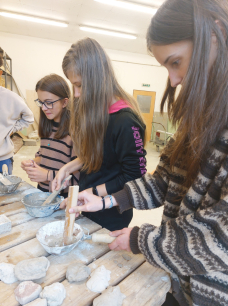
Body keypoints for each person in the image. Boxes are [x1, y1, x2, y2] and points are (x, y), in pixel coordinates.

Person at [67, 0, 228, 305]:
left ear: (215, 37)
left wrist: (140, 239)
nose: (173, 80)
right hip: (177, 280)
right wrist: (108, 199)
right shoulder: (198, 119)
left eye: (176, 61)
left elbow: (221, 238)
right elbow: (163, 181)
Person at [52, 38, 147, 231]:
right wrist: (68, 168)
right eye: (74, 86)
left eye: (79, 85)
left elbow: (134, 177)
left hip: (112, 212)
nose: (76, 94)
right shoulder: (96, 112)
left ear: (97, 78)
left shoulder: (125, 121)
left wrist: (92, 192)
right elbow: (97, 155)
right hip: (89, 202)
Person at [21, 74, 78, 197]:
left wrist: (47, 175)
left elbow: (77, 179)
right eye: (41, 102)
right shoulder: (47, 127)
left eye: (49, 102)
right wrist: (32, 163)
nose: (44, 108)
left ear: (64, 102)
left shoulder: (75, 133)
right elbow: (43, 155)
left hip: (61, 198)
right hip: (42, 192)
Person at [0, 54, 34, 174]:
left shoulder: (11, 98)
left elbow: (29, 117)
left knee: (4, 192)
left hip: (2, 158)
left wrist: (12, 130)